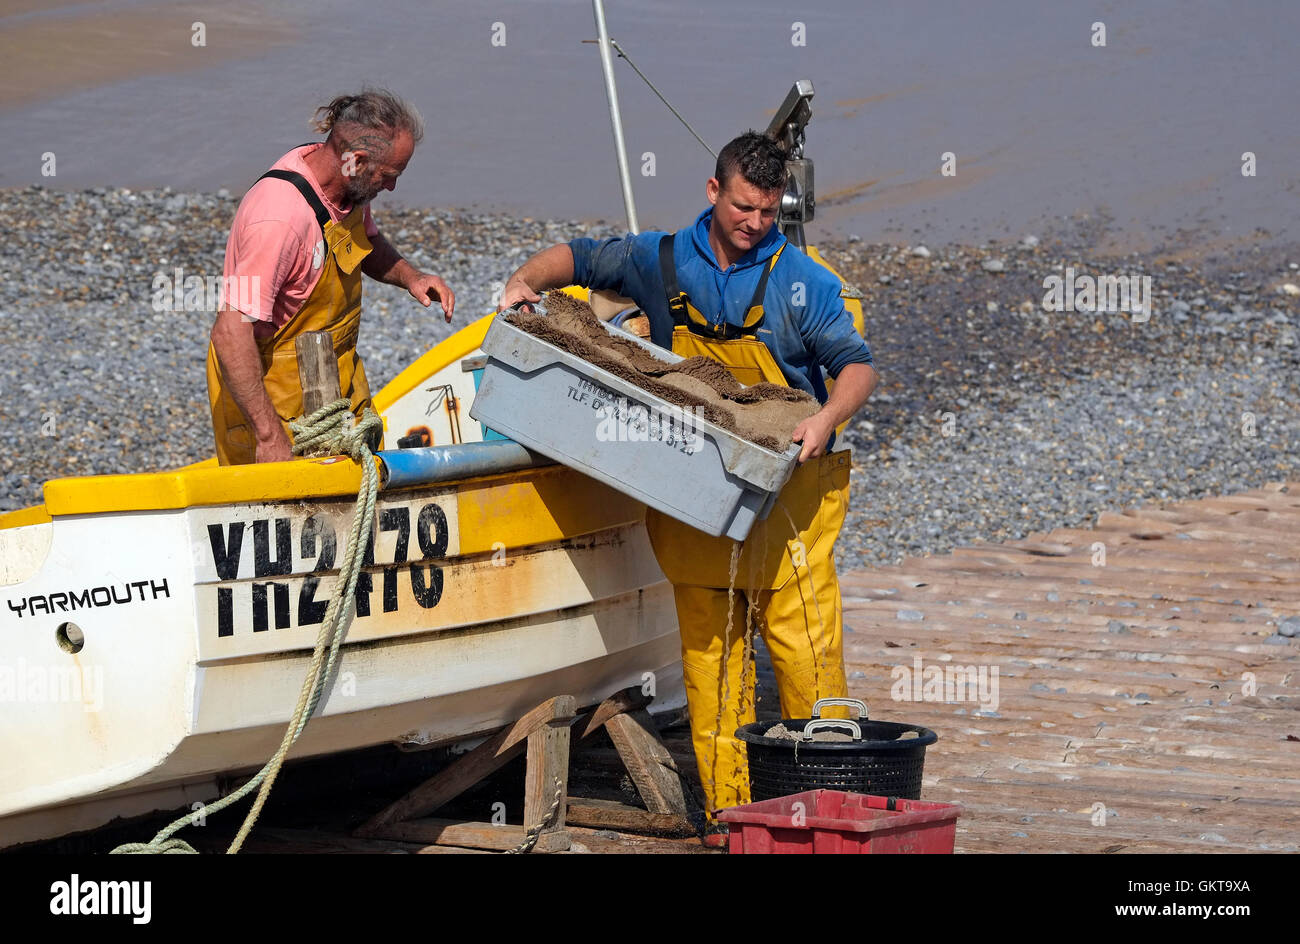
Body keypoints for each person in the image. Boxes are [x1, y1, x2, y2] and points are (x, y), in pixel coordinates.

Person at [499, 130, 878, 843]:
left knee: (810, 669)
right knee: (713, 671)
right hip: (698, 503)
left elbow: (856, 367)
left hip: (789, 508)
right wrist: (524, 281)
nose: (755, 223)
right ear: (713, 191)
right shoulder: (660, 258)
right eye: (742, 207)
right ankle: (730, 820)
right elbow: (576, 257)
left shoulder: (804, 281)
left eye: (768, 210)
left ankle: (824, 819)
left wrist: (827, 417)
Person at [207, 88, 456, 465]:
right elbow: (230, 332)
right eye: (389, 175)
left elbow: (364, 241)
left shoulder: (347, 188)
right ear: (357, 160)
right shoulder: (279, 220)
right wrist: (269, 436)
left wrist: (411, 276)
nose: (392, 187)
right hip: (274, 404)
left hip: (337, 388)